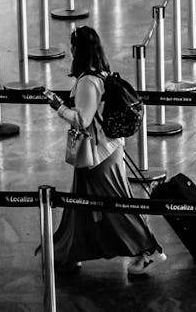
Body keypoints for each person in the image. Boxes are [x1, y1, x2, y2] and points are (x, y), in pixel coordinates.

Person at [42, 25, 166, 276]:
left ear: (79, 50)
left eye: (73, 45)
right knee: (81, 205)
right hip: (102, 151)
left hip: (99, 155)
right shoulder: (100, 73)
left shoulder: (88, 80)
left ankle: (148, 250)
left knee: (115, 206)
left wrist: (57, 106)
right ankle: (69, 251)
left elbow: (83, 120)